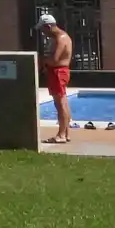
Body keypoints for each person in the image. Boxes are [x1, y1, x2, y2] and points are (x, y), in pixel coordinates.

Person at [40, 13, 74, 144]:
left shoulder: (61, 38)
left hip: (58, 72)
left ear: (48, 26)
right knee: (62, 102)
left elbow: (55, 60)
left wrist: (42, 61)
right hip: (59, 72)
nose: (43, 33)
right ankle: (65, 133)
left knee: (60, 104)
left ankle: (61, 135)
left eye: (43, 29)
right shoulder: (62, 37)